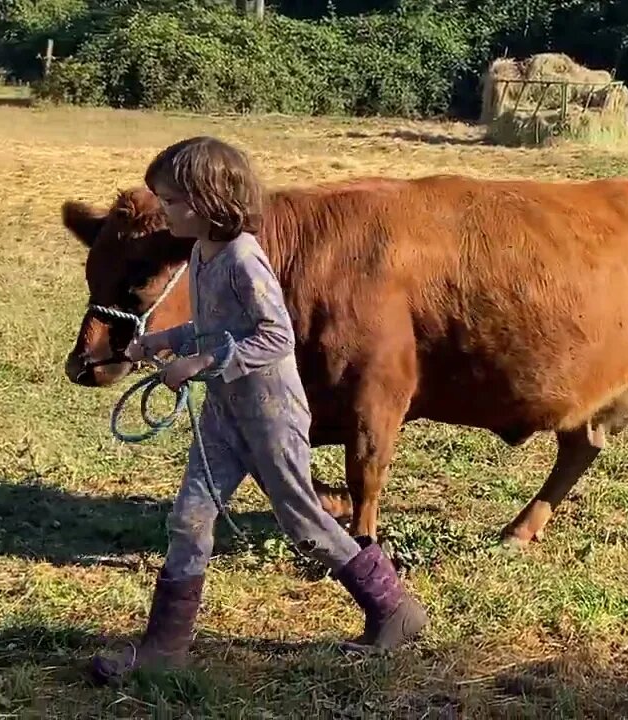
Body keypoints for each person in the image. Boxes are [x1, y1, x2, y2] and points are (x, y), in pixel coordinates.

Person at [89, 136, 427, 684]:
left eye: (171, 202)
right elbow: (213, 325)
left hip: (271, 414)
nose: (164, 212)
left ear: (207, 203)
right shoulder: (201, 254)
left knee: (307, 526)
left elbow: (276, 337)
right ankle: (164, 647)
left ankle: (393, 609)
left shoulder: (244, 260)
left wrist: (199, 364)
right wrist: (160, 342)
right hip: (227, 413)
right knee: (189, 519)